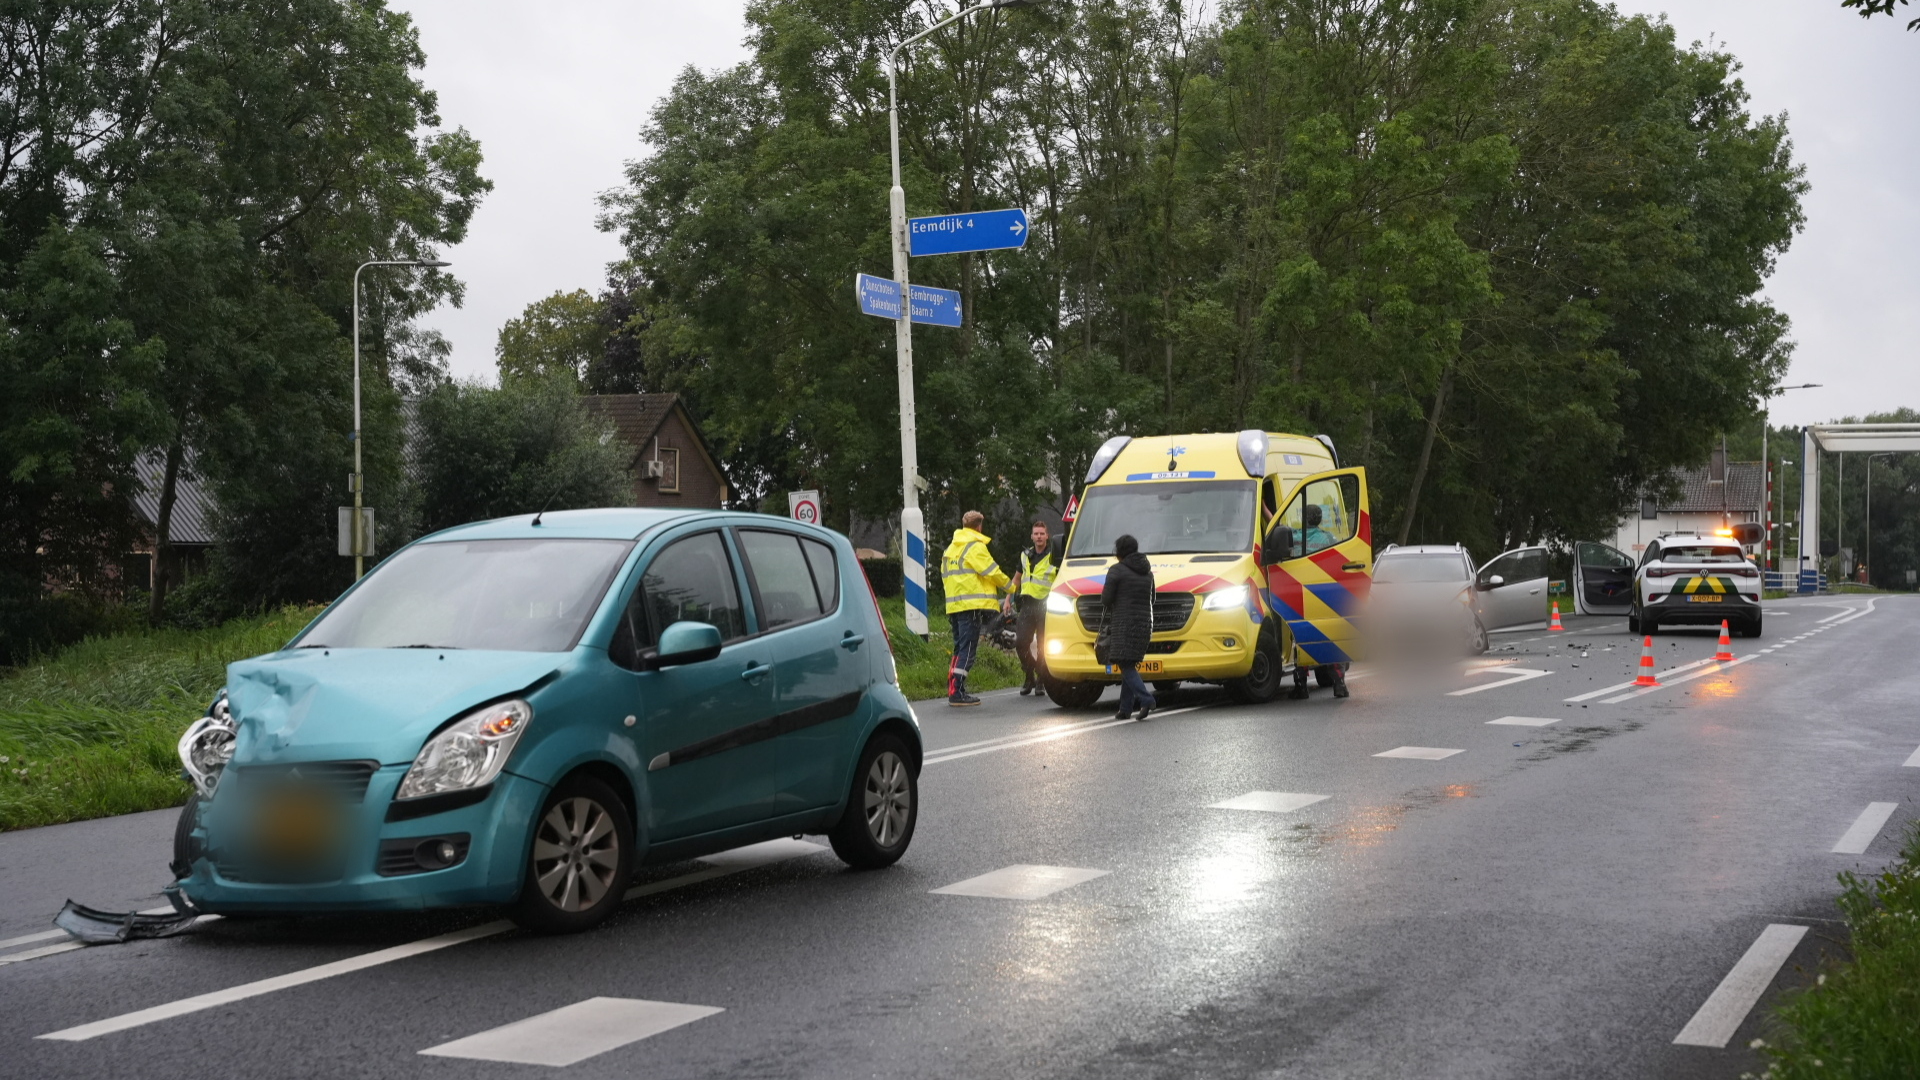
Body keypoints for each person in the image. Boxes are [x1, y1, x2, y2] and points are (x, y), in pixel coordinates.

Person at [940, 510, 1010, 707]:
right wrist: (1011, 587)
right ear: (979, 527)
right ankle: (957, 691)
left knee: (958, 647)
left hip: (953, 606)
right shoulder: (975, 547)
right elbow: (992, 572)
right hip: (969, 607)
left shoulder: (951, 548)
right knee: (968, 649)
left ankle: (953, 687)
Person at [1100, 533, 1156, 720]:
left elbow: (1106, 599)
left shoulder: (1116, 570)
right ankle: (1125, 709)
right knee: (1129, 663)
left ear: (1119, 552)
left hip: (1124, 625)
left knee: (1124, 663)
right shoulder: (1147, 572)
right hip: (1144, 624)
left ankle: (1146, 699)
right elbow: (1152, 599)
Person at [1008, 520, 1060, 696]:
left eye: (1041, 534)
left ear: (1047, 536)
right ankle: (1029, 675)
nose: (1038, 537)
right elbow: (1016, 579)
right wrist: (1008, 598)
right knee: (1021, 643)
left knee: (1044, 646)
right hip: (1028, 605)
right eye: (1036, 534)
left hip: (1046, 605)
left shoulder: (1054, 555)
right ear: (1031, 536)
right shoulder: (1025, 555)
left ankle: (1041, 680)